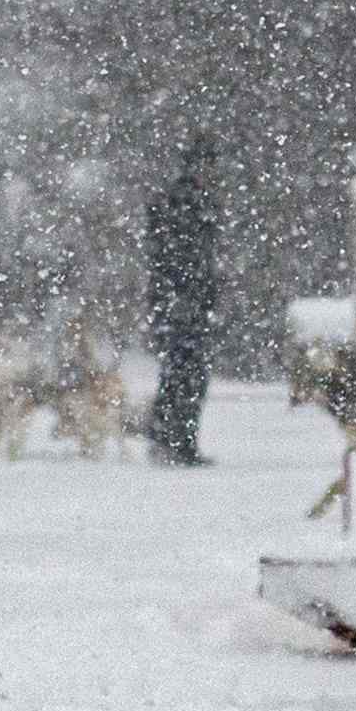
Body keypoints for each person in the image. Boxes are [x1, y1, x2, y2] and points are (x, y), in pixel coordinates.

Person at [146, 133, 222, 466]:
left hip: (183, 300)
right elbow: (180, 255)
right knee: (185, 374)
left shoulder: (184, 200)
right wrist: (186, 294)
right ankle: (176, 439)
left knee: (183, 372)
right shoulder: (185, 202)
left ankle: (173, 436)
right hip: (183, 300)